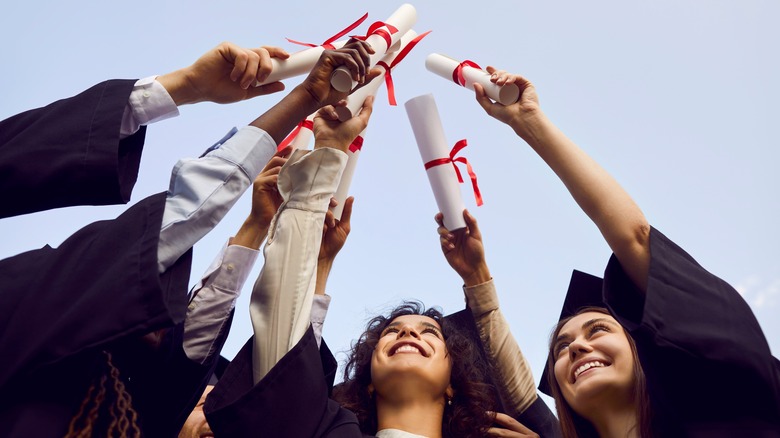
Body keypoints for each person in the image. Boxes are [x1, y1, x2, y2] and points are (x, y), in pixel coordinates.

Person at [0, 40, 377, 437]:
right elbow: (180, 221)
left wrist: (257, 222)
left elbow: (195, 336)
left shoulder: (128, 407)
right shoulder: (35, 329)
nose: (166, 308)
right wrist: (303, 100)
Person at [473, 69, 780, 436]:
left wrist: (530, 122)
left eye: (598, 329)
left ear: (644, 349)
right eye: (561, 348)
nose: (576, 348)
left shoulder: (725, 407)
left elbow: (634, 237)